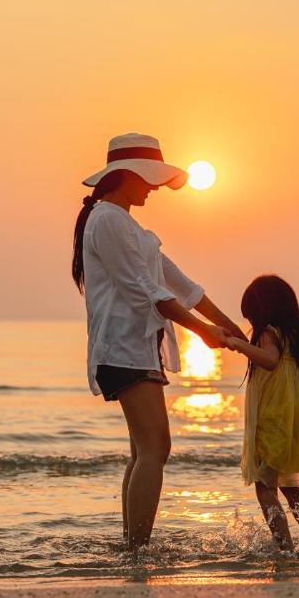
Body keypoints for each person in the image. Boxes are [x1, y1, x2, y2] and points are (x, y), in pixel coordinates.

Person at [73, 133, 245, 549]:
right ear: (126, 175)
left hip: (138, 347)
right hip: (123, 348)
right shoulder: (108, 219)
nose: (153, 187)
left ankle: (132, 545)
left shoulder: (129, 226)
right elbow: (146, 291)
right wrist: (203, 332)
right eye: (149, 178)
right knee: (155, 449)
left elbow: (180, 284)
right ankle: (138, 548)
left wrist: (231, 327)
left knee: (143, 452)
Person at [225, 275, 299, 552]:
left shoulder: (268, 333)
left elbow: (270, 361)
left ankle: (283, 545)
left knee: (265, 485)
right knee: (291, 486)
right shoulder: (294, 336)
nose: (251, 325)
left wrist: (239, 346)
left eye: (251, 318)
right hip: (292, 418)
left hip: (273, 418)